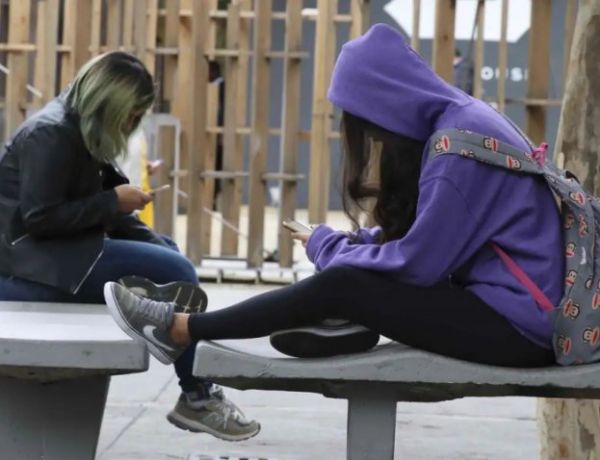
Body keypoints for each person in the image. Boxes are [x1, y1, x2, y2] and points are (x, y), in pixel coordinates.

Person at [103, 23, 561, 372]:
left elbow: (416, 264)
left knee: (343, 284)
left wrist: (330, 248)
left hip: (522, 328)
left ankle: (180, 329)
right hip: (514, 307)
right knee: (349, 281)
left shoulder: (455, 149)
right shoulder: (466, 121)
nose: (370, 139)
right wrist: (355, 243)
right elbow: (440, 233)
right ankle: (343, 318)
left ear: (382, 105)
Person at [0, 51, 260, 441]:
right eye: (131, 115)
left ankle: (178, 357)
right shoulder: (50, 134)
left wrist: (152, 240)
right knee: (178, 273)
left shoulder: (81, 128)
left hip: (58, 253)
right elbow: (41, 219)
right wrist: (113, 202)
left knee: (170, 257)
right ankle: (198, 395)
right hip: (29, 264)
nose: (131, 125)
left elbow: (116, 215)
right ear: (110, 103)